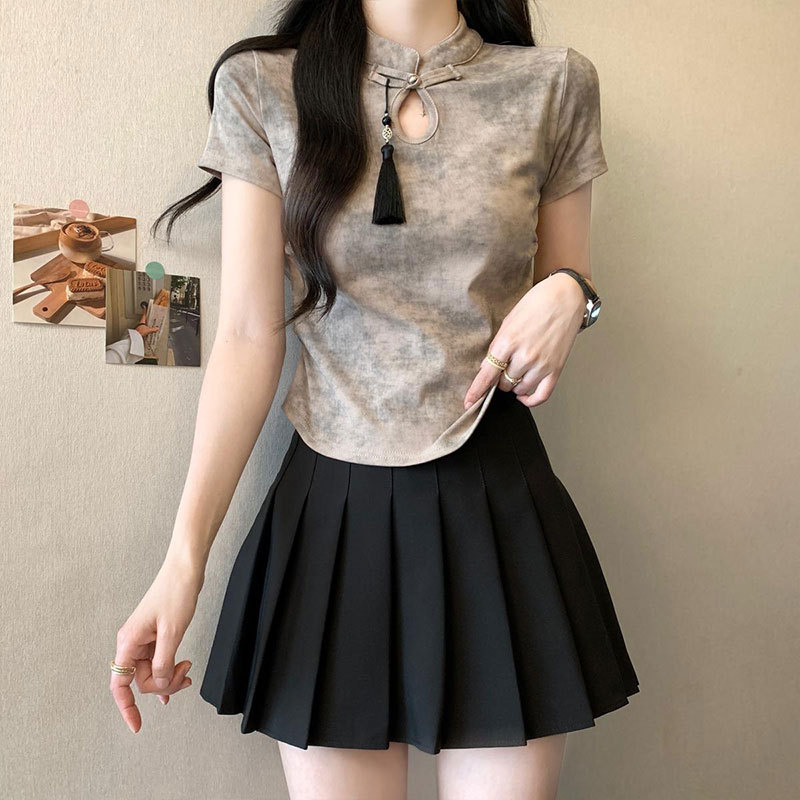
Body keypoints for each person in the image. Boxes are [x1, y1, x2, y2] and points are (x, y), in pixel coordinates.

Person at [110, 2, 639, 797]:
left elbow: (570, 278)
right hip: (332, 510)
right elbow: (248, 336)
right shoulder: (261, 85)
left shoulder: (553, 84)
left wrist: (573, 294)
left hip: (497, 501)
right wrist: (182, 566)